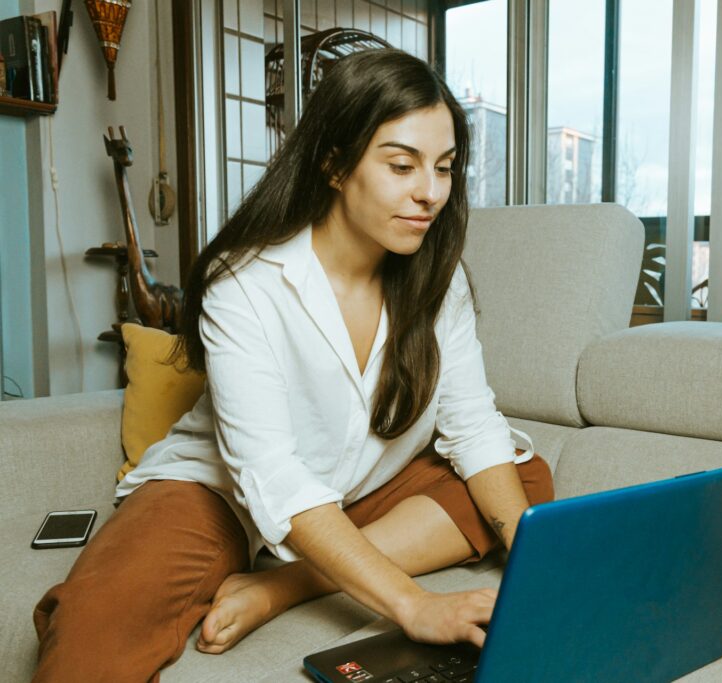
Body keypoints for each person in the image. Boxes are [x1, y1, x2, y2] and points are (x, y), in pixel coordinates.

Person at [32, 48, 553, 682]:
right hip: (220, 497)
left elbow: (473, 425)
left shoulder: (441, 284)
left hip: (356, 495)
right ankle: (302, 568)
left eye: (444, 168)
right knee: (93, 626)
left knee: (523, 486)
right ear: (334, 164)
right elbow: (272, 476)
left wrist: (540, 567)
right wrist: (413, 605)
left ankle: (290, 584)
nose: (430, 193)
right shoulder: (243, 284)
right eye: (402, 165)